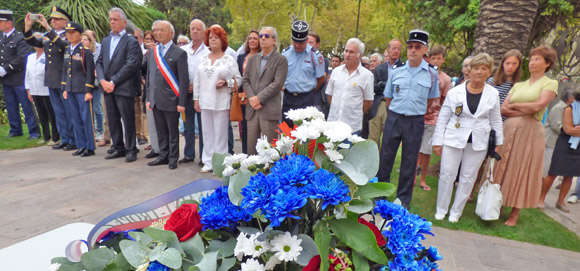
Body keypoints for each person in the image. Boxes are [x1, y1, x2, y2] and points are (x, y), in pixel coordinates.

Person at [432, 53, 503, 222]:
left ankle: (456, 212)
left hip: (478, 141)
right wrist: (437, 141)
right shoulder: (454, 92)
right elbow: (443, 117)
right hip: (453, 137)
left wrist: (499, 142)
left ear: (489, 72)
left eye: (484, 69)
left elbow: (495, 119)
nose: (479, 72)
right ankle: (441, 209)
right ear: (469, 71)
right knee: (447, 174)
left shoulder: (492, 94)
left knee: (467, 177)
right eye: (476, 68)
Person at [495, 46, 558, 226]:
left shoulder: (550, 84)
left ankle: (515, 212)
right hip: (509, 129)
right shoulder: (519, 85)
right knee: (502, 165)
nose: (532, 63)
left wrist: (516, 108)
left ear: (547, 63)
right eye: (531, 59)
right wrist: (524, 109)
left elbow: (538, 107)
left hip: (531, 132)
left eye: (537, 59)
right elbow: (503, 108)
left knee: (522, 168)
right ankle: (496, 204)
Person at [376, 30, 439, 209]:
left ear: (424, 49)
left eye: (417, 47)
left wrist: (413, 112)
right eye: (410, 47)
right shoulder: (397, 71)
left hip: (415, 121)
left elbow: (429, 100)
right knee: (386, 157)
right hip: (394, 118)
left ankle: (403, 199)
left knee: (409, 161)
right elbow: (388, 97)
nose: (413, 50)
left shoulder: (431, 74)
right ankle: (380, 194)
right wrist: (398, 112)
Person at [96, 8, 143, 163]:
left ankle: (131, 149)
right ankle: (118, 147)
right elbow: (100, 62)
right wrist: (102, 81)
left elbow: (131, 65)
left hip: (123, 87)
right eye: (111, 19)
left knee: (127, 119)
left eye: (115, 19)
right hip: (107, 87)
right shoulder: (106, 41)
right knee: (113, 118)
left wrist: (113, 82)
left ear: (124, 22)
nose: (112, 22)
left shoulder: (131, 42)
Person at [23, 7, 74, 149]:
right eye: (52, 19)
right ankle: (64, 139)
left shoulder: (68, 35)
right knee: (58, 112)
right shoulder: (47, 36)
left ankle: (72, 139)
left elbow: (63, 46)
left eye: (56, 19)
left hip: (63, 78)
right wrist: (28, 27)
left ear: (65, 21)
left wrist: (47, 27)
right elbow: (32, 42)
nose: (53, 21)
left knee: (67, 111)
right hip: (51, 79)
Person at [193, 26, 241, 173]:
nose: (213, 39)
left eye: (216, 37)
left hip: (221, 101)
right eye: (211, 37)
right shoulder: (202, 59)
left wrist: (227, 83)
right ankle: (208, 162)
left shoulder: (229, 59)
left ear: (222, 41)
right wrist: (196, 99)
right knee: (207, 134)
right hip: (205, 101)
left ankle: (220, 164)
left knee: (221, 135)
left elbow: (239, 80)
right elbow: (197, 80)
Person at [145, 20, 189, 170]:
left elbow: (184, 80)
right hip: (156, 100)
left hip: (171, 100)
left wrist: (181, 102)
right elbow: (150, 76)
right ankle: (163, 156)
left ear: (171, 33)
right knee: (161, 131)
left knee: (172, 132)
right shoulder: (153, 52)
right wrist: (149, 98)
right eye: (155, 30)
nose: (157, 33)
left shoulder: (179, 53)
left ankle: (173, 157)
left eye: (161, 30)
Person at [243, 27, 287, 154]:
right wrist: (252, 98)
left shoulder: (281, 60)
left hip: (269, 109)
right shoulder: (252, 59)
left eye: (266, 36)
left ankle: (271, 173)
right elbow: (245, 81)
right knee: (252, 150)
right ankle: (253, 173)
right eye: (261, 35)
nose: (262, 38)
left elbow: (278, 83)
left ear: (274, 40)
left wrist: (259, 98)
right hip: (252, 109)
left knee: (271, 151)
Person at [415, 45, 452, 191]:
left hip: (433, 118)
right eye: (433, 58)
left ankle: (423, 179)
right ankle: (412, 177)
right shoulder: (423, 74)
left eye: (438, 58)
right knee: (415, 149)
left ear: (443, 59)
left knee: (426, 151)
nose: (436, 61)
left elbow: (444, 101)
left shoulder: (446, 80)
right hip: (418, 116)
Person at [1, 10, 40, 140]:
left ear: (9, 23)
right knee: (11, 106)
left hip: (19, 78)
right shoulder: (2, 38)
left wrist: (5, 69)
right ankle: (15, 129)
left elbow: (22, 57)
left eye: (1, 22)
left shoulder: (19, 37)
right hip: (6, 78)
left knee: (26, 105)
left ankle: (34, 131)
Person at [538, 87, 577, 212]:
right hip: (554, 143)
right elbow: (558, 127)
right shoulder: (560, 108)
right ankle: (540, 199)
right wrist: (573, 129)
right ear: (570, 98)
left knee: (569, 174)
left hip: (575, 145)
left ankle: (560, 201)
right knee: (552, 171)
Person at [61, 22, 96, 157]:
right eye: (67, 33)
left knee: (85, 118)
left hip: (82, 89)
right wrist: (64, 87)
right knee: (75, 118)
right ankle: (81, 145)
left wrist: (88, 91)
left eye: (72, 32)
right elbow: (65, 70)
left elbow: (90, 72)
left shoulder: (85, 51)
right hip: (71, 89)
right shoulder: (67, 50)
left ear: (80, 34)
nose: (69, 35)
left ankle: (90, 146)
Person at [281, 20, 325, 126]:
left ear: (307, 40)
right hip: (288, 98)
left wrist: (309, 89)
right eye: (295, 42)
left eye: (300, 42)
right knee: (287, 132)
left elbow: (321, 78)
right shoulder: (285, 54)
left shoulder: (316, 56)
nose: (297, 45)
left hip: (307, 99)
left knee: (305, 134)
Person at [326, 38, 373, 135]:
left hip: (352, 127)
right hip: (332, 125)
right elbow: (330, 96)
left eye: (351, 52)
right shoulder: (336, 72)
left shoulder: (367, 76)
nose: (347, 54)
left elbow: (368, 101)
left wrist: (355, 112)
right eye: (346, 51)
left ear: (359, 55)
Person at [180, 19, 208, 164]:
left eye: (198, 29)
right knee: (187, 125)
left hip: (202, 94)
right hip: (186, 94)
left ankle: (204, 156)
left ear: (204, 32)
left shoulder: (208, 51)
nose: (195, 31)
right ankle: (189, 154)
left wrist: (197, 86)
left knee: (203, 126)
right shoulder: (183, 50)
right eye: (192, 29)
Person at [369, 39, 404, 148]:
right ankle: (373, 163)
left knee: (389, 138)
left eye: (398, 49)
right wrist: (386, 85)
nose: (396, 51)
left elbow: (401, 88)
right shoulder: (379, 68)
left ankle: (384, 163)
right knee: (373, 137)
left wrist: (383, 84)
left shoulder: (404, 68)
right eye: (393, 48)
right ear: (388, 50)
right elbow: (374, 88)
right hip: (378, 103)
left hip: (394, 105)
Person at [25, 32, 59, 145]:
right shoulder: (30, 57)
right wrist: (28, 89)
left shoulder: (47, 55)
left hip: (46, 89)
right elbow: (28, 74)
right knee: (41, 114)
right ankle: (46, 136)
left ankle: (55, 137)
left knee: (51, 113)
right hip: (34, 89)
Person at [237, 30, 261, 154]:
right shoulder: (241, 57)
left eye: (255, 38)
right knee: (245, 128)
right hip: (244, 98)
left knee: (258, 127)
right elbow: (237, 76)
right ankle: (246, 155)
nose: (252, 41)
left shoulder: (263, 57)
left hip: (259, 96)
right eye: (250, 38)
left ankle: (260, 156)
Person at [81, 31, 104, 143]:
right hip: (84, 84)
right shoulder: (80, 52)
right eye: (82, 39)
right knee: (87, 109)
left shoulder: (97, 50)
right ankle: (91, 132)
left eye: (85, 39)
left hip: (96, 83)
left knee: (96, 108)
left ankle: (99, 131)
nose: (83, 41)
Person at [141, 29, 160, 157]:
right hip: (148, 90)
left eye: (151, 40)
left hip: (160, 91)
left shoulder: (159, 52)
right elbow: (142, 68)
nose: (149, 42)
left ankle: (161, 148)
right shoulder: (145, 54)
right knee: (151, 121)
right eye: (147, 40)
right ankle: (154, 147)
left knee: (160, 122)